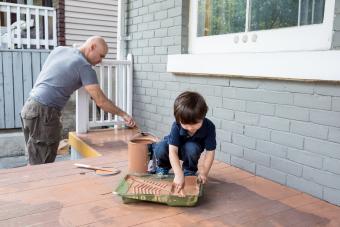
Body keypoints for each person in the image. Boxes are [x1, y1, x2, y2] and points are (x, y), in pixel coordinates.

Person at [20, 36, 135, 165]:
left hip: (29, 108)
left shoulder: (60, 50)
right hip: (44, 113)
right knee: (41, 165)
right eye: (101, 56)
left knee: (33, 158)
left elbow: (57, 75)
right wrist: (123, 114)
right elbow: (101, 101)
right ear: (92, 47)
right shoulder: (84, 67)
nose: (101, 61)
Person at [150, 91, 216, 193]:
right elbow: (173, 151)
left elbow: (210, 152)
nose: (190, 128)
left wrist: (203, 173)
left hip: (190, 151)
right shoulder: (176, 125)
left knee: (192, 147)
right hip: (174, 148)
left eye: (195, 124)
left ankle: (189, 171)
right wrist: (178, 174)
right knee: (160, 147)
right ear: (179, 120)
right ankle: (163, 167)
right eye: (185, 124)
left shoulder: (209, 127)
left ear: (203, 116)